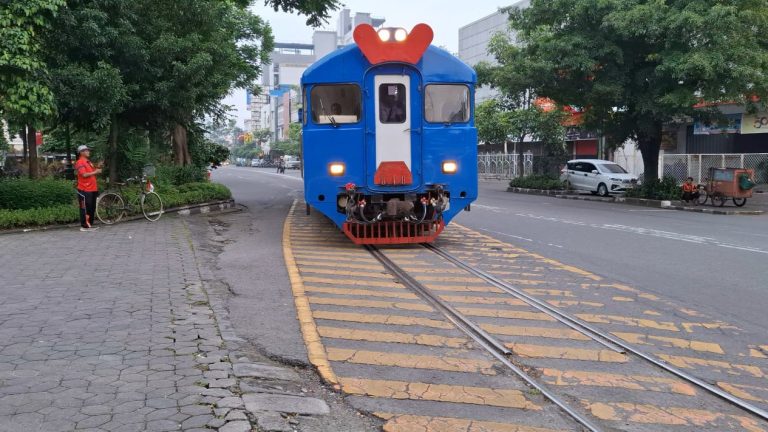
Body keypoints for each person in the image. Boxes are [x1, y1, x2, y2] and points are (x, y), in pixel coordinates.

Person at [74, 145, 102, 231]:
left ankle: (89, 224)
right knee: (85, 208)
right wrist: (96, 171)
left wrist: (98, 166)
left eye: (88, 150)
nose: (88, 152)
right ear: (81, 152)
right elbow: (84, 174)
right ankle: (84, 226)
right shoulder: (80, 162)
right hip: (84, 189)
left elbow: (93, 172)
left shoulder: (88, 162)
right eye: (87, 150)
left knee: (91, 208)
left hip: (92, 189)